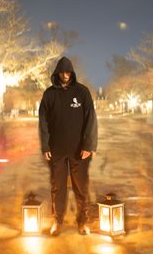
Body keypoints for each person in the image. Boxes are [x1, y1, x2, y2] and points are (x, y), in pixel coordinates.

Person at [39, 56, 98, 236]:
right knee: (58, 188)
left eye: (68, 72)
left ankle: (82, 222)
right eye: (62, 72)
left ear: (72, 73)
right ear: (57, 73)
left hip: (79, 150)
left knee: (81, 187)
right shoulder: (49, 94)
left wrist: (89, 145)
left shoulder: (82, 92)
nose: (65, 75)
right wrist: (45, 146)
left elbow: (91, 120)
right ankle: (58, 221)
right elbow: (43, 122)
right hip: (56, 150)